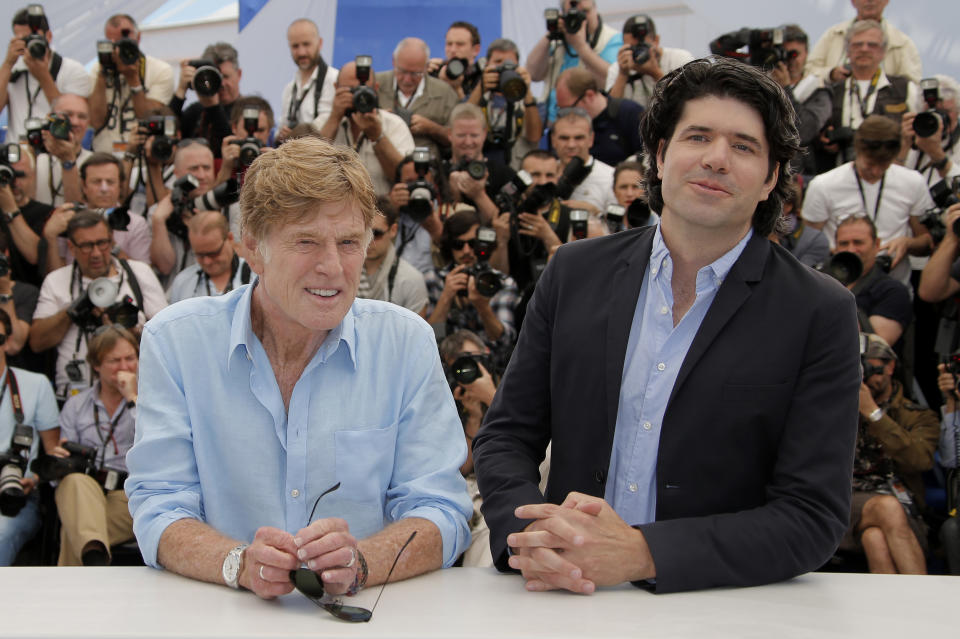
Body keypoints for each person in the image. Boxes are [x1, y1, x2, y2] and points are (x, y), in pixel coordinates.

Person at [473, 57, 861, 594]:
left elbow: (811, 515)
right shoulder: (574, 271)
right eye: (697, 136)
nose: (716, 159)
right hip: (564, 595)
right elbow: (506, 436)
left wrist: (643, 554)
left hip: (714, 607)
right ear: (660, 155)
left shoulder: (820, 311)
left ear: (773, 176)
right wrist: (531, 536)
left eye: (744, 146)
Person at [125, 136, 471, 598]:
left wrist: (364, 562)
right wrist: (238, 563)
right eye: (305, 241)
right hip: (217, 618)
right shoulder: (175, 342)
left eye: (349, 242)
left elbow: (442, 510)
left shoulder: (405, 342)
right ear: (252, 246)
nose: (332, 266)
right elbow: (158, 506)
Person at [29, 210, 166, 400]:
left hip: (134, 393)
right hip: (75, 397)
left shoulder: (138, 273)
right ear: (71, 247)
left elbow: (167, 335)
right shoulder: (56, 280)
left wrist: (129, 331)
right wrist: (75, 310)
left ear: (112, 241)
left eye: (102, 243)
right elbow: (37, 342)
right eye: (86, 246)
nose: (96, 253)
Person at [803, 115, 933, 286]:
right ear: (857, 150)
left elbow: (926, 242)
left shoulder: (913, 182)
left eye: (884, 164)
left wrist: (907, 243)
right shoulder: (824, 185)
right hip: (838, 285)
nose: (876, 171)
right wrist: (843, 251)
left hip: (893, 286)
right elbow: (806, 245)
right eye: (870, 164)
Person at [844, 333, 936, 574]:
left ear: (891, 366)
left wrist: (873, 414)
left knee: (875, 539)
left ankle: (896, 610)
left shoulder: (917, 416)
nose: (866, 377)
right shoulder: (835, 408)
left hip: (903, 507)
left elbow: (920, 460)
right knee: (887, 509)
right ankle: (927, 603)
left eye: (872, 369)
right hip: (847, 502)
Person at [49, 325, 140, 565]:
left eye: (130, 358)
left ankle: (86, 568)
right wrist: (61, 462)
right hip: (88, 490)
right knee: (75, 483)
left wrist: (133, 400)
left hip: (131, 496)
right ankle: (94, 559)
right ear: (96, 365)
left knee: (75, 529)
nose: (124, 367)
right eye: (114, 360)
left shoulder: (149, 402)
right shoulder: (76, 406)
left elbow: (159, 447)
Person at [425, 209, 518, 374]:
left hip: (490, 371)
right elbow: (430, 340)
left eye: (473, 243)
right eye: (458, 245)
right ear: (449, 247)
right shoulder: (435, 280)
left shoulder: (502, 283)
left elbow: (504, 343)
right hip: (446, 372)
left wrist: (483, 307)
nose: (466, 250)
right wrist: (446, 298)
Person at [818, 20, 920, 169]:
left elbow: (919, 133)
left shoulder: (904, 88)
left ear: (883, 52)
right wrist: (825, 140)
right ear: (848, 52)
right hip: (843, 173)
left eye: (872, 45)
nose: (864, 49)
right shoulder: (832, 90)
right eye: (857, 45)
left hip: (894, 170)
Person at [0, 308, 58, 566]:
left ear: (7, 342)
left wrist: (33, 480)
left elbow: (54, 452)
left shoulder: (36, 385)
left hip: (15, 497)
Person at [314, 60, 414, 197]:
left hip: (381, 211)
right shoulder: (323, 122)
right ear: (336, 88)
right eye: (351, 90)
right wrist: (334, 119)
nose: (358, 97)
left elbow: (403, 177)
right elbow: (309, 166)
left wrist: (378, 137)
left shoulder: (394, 125)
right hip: (333, 211)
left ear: (376, 89)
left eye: (363, 90)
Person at [0, 6, 91, 145]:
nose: (29, 44)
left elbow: (70, 120)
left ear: (48, 36)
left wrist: (43, 77)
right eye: (24, 40)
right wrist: (7, 64)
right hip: (18, 154)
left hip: (56, 151)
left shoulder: (73, 71)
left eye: (33, 38)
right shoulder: (13, 71)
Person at [88, 14, 175, 154]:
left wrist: (134, 80)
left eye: (125, 42)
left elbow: (149, 118)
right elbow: (95, 121)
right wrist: (103, 73)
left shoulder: (160, 70)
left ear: (138, 38)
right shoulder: (97, 70)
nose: (119, 50)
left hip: (141, 159)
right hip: (106, 157)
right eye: (114, 44)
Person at [526, 0, 622, 124]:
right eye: (571, 13)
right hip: (554, 121)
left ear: (595, 9)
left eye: (585, 12)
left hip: (591, 123)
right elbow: (532, 73)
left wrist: (581, 47)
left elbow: (612, 78)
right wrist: (551, 32)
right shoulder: (558, 38)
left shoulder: (611, 38)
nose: (579, 18)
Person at [834, 215, 912, 349]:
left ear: (877, 245)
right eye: (844, 243)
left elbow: (874, 348)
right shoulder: (823, 281)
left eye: (858, 242)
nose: (851, 250)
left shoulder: (893, 291)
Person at [148, 139, 217, 288]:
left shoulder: (229, 208)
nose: (201, 175)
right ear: (176, 173)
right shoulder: (157, 212)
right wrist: (159, 221)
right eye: (194, 169)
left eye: (207, 168)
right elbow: (165, 266)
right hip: (173, 298)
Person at [466, 38, 542, 170]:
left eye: (509, 63)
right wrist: (481, 88)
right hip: (480, 168)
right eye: (498, 62)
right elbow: (463, 122)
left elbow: (534, 136)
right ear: (487, 65)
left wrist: (526, 91)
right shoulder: (476, 97)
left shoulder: (532, 103)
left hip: (518, 168)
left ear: (519, 66)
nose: (504, 68)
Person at [768, 25, 832, 179]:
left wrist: (785, 89)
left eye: (795, 54)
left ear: (806, 55)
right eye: (784, 53)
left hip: (794, 176)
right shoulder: (762, 83)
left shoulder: (819, 90)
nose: (790, 60)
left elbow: (804, 130)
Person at [376, 38, 458, 159]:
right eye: (402, 71)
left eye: (415, 73)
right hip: (379, 164)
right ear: (393, 61)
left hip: (426, 168)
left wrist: (432, 129)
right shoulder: (374, 85)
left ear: (426, 67)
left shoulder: (445, 93)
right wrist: (378, 119)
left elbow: (459, 140)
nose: (407, 79)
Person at [805, 0, 922, 84]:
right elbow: (808, 73)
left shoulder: (902, 43)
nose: (870, 1)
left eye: (872, 45)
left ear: (887, 1)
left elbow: (913, 87)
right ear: (852, 1)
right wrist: (831, 74)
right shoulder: (834, 34)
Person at [555, 67, 643, 167]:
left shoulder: (630, 113)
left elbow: (647, 155)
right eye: (560, 109)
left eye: (568, 108)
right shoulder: (562, 122)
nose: (565, 115)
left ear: (589, 96)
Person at [357, 197, 427, 317]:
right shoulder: (342, 271)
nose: (369, 241)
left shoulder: (412, 281)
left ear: (393, 230)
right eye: (363, 233)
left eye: (376, 234)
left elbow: (415, 334)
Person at [605, 14, 693, 109]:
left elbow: (689, 103)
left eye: (642, 47)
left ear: (656, 40)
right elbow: (611, 112)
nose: (638, 53)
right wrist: (622, 74)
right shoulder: (618, 68)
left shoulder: (680, 59)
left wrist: (656, 73)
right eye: (632, 48)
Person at [170, 43, 242, 159]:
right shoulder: (196, 111)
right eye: (215, 76)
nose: (221, 84)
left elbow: (230, 148)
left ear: (239, 74)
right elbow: (168, 132)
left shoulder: (248, 109)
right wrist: (180, 92)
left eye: (225, 77)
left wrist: (213, 107)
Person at [167, 211, 251, 304]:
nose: (207, 261)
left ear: (230, 239)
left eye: (213, 253)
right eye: (199, 255)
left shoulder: (256, 275)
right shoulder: (182, 282)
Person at [277, 19, 337, 143]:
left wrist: (295, 135)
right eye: (295, 46)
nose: (301, 52)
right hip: (296, 158)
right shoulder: (289, 89)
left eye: (306, 44)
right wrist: (283, 134)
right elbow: (281, 128)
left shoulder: (334, 79)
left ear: (320, 43)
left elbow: (330, 127)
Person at [550, 106, 616, 213]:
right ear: (553, 140)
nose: (571, 145)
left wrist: (595, 213)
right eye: (564, 138)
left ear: (591, 139)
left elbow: (622, 226)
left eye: (579, 138)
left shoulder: (610, 178)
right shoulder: (543, 174)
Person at [32, 93, 91, 208]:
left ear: (88, 123)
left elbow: (80, 212)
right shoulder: (33, 157)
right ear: (50, 118)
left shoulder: (96, 163)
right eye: (68, 115)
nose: (75, 122)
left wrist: (68, 161)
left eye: (82, 116)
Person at [768, 179, 828, 268]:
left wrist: (772, 241)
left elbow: (801, 278)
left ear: (788, 206)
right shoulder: (749, 232)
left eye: (769, 200)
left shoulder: (815, 240)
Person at [428, 21, 483, 101]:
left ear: (476, 50)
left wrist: (457, 89)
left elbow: (472, 112)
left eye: (460, 44)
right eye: (449, 44)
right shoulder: (434, 72)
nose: (453, 50)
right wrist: (423, 77)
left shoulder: (482, 80)